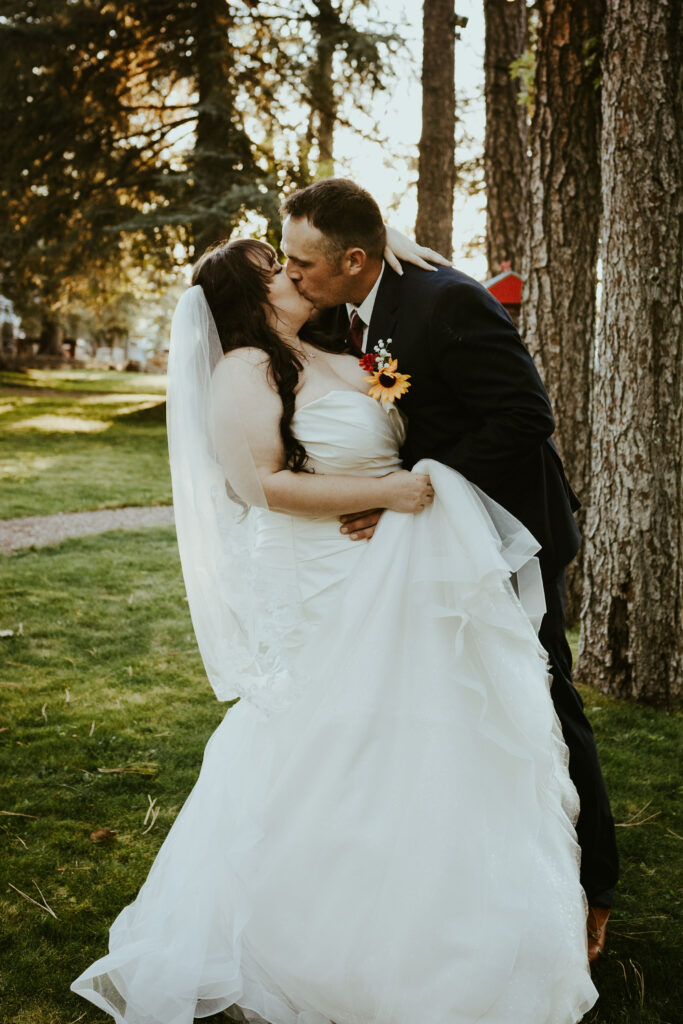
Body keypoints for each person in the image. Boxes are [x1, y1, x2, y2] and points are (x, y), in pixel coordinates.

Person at [71, 235, 598, 1024]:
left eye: (293, 264)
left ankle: (441, 924)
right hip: (324, 575)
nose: (294, 274)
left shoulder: (340, 345)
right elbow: (261, 486)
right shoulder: (244, 369)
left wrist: (392, 240)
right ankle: (311, 937)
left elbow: (370, 277)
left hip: (395, 565)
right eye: (275, 270)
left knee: (427, 731)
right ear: (248, 299)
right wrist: (389, 494)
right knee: (339, 738)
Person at [280, 177, 619, 963]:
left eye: (302, 263)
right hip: (432, 539)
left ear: (353, 259)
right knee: (467, 702)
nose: (292, 274)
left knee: (542, 696)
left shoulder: (446, 302)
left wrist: (415, 490)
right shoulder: (352, 302)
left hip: (509, 536)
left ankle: (593, 886)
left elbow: (526, 416)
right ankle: (485, 870)